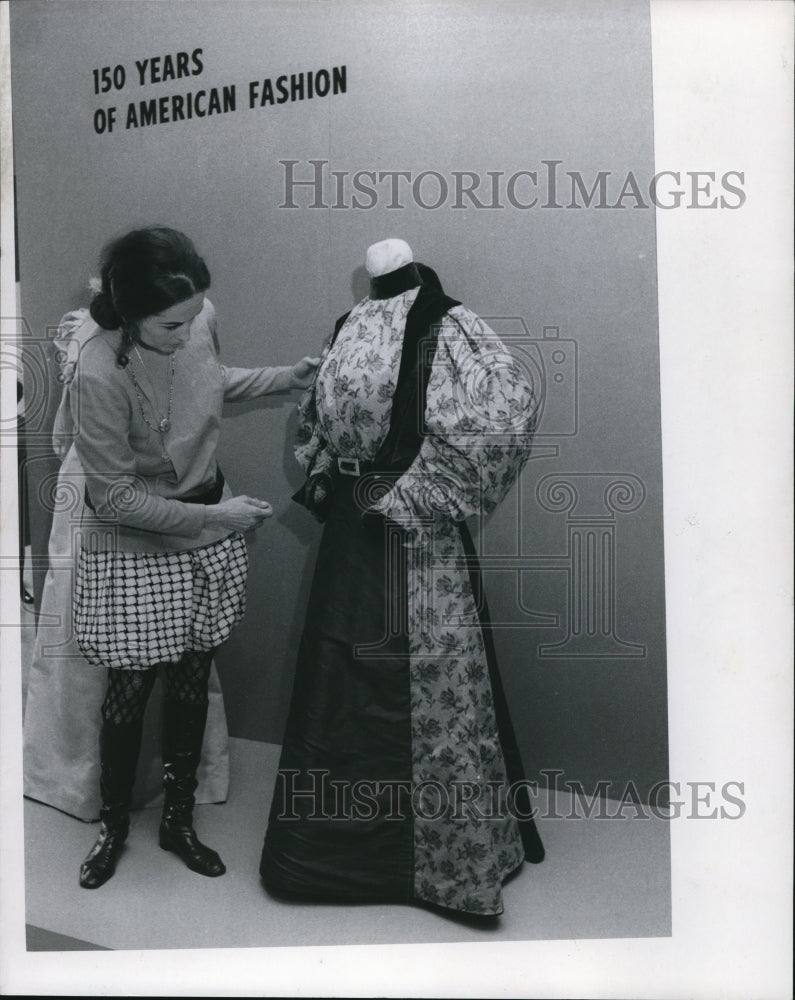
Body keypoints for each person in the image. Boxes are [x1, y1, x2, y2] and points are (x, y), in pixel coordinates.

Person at [260, 239, 544, 918]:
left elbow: (502, 413)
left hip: (412, 535)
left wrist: (417, 494)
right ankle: (332, 857)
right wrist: (333, 469)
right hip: (353, 536)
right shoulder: (350, 323)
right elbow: (325, 420)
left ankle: (445, 871)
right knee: (342, 677)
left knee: (430, 686)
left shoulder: (450, 322)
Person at [27, 226, 318, 890]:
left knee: (191, 676)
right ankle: (114, 829)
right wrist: (218, 518)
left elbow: (208, 382)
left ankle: (178, 820)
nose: (185, 333)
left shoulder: (195, 319)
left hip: (200, 521)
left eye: (192, 320)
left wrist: (287, 378)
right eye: (168, 325)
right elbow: (118, 500)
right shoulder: (96, 369)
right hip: (136, 539)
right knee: (127, 694)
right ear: (127, 312)